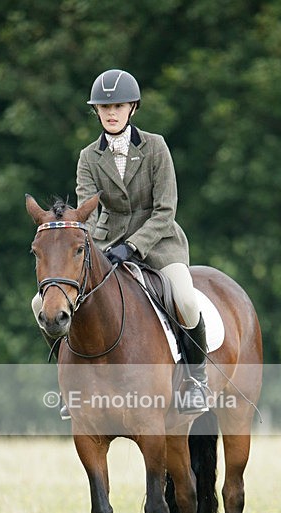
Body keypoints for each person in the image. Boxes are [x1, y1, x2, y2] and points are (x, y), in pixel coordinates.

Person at [34, 68, 209, 414]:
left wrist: (133, 246)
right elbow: (88, 212)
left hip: (159, 242)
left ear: (133, 109)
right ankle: (73, 386)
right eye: (104, 107)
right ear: (96, 112)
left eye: (119, 106)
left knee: (186, 301)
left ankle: (195, 382)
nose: (111, 113)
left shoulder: (156, 147)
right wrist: (98, 250)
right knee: (43, 306)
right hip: (106, 245)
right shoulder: (88, 157)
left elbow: (165, 209)